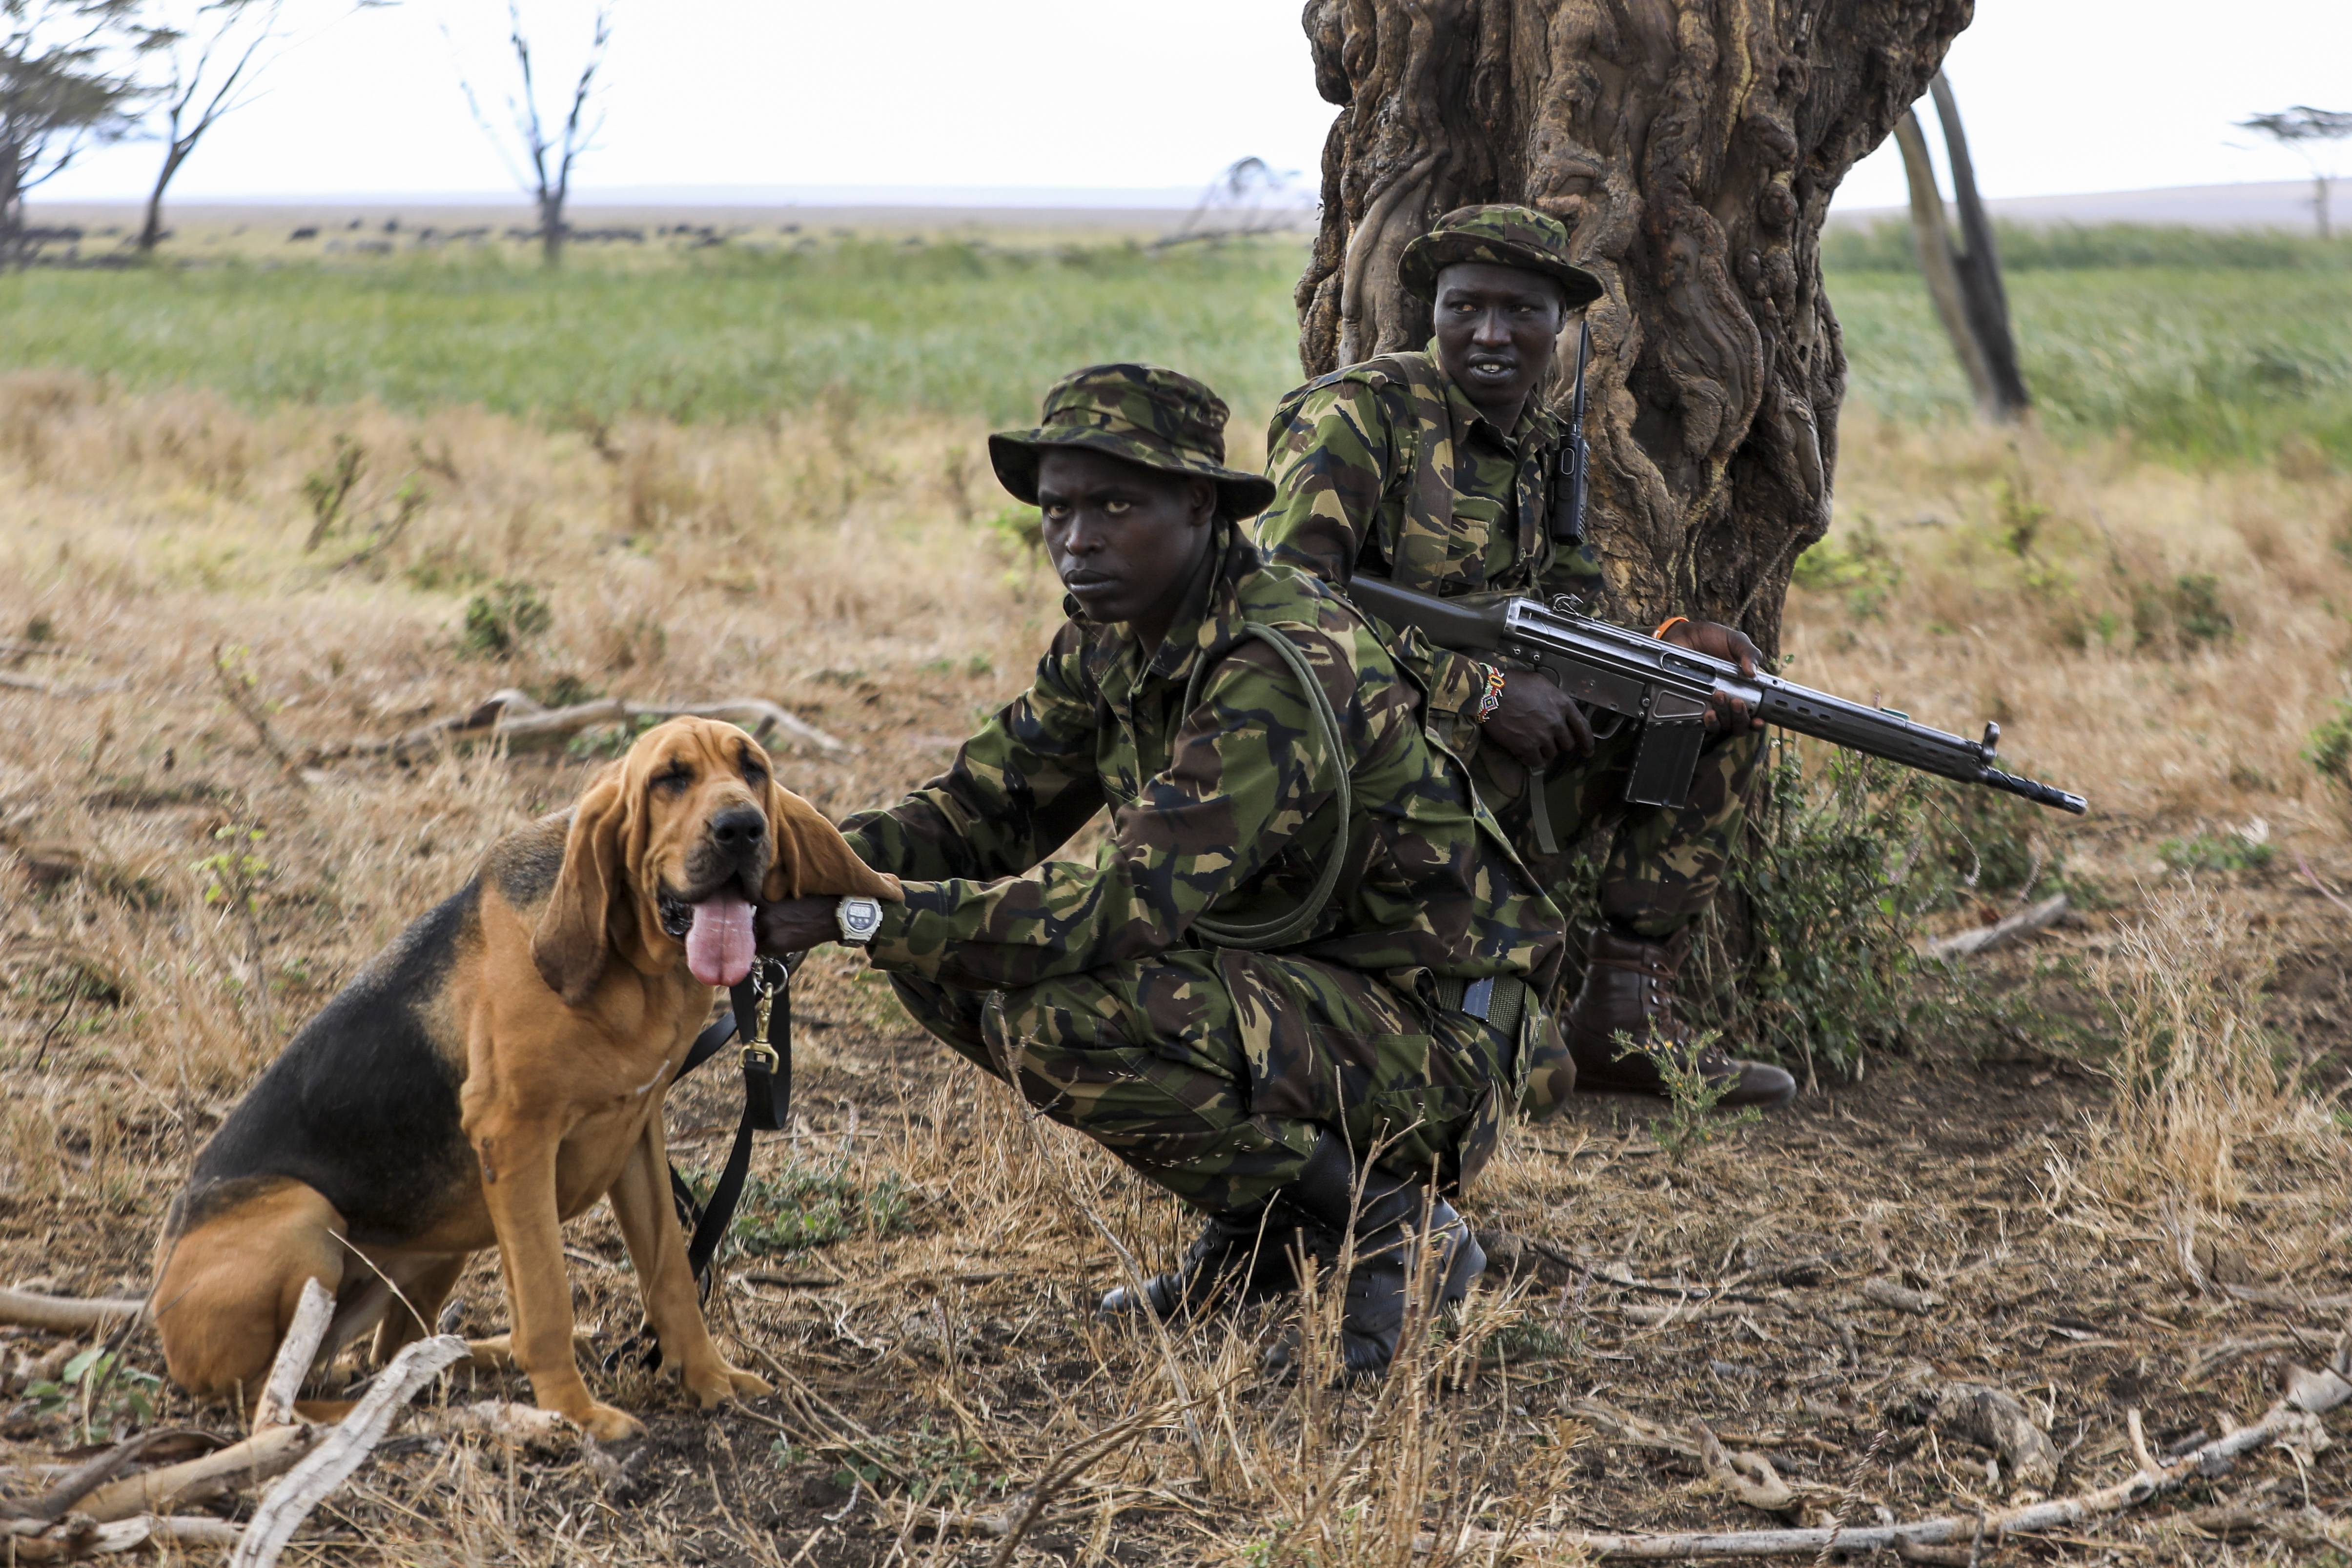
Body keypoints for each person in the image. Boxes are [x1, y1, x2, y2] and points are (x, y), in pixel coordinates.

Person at [755, 365, 1573, 1377]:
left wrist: (859, 918)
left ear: (1197, 505)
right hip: (1306, 999)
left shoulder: (1280, 659)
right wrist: (792, 861)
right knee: (948, 957)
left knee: (1045, 1013)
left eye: (1114, 504)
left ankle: (1393, 1222)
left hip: (1434, 1040)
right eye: (1057, 507)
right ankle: (1266, 1231)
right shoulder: (1110, 638)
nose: (1078, 537)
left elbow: (1119, 906)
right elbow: (979, 811)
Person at [1256, 204, 1795, 1110]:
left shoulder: (1548, 449)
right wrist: (1484, 692)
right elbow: (1286, 600)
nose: (1492, 334)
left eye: (1522, 312)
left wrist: (1662, 653)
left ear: (1559, 326)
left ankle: (1622, 1018)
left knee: (1705, 718)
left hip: (1481, 760)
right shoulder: (1360, 414)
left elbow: (1558, 608)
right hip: (1364, 769)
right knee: (1514, 1077)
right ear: (1433, 312)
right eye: (1465, 307)